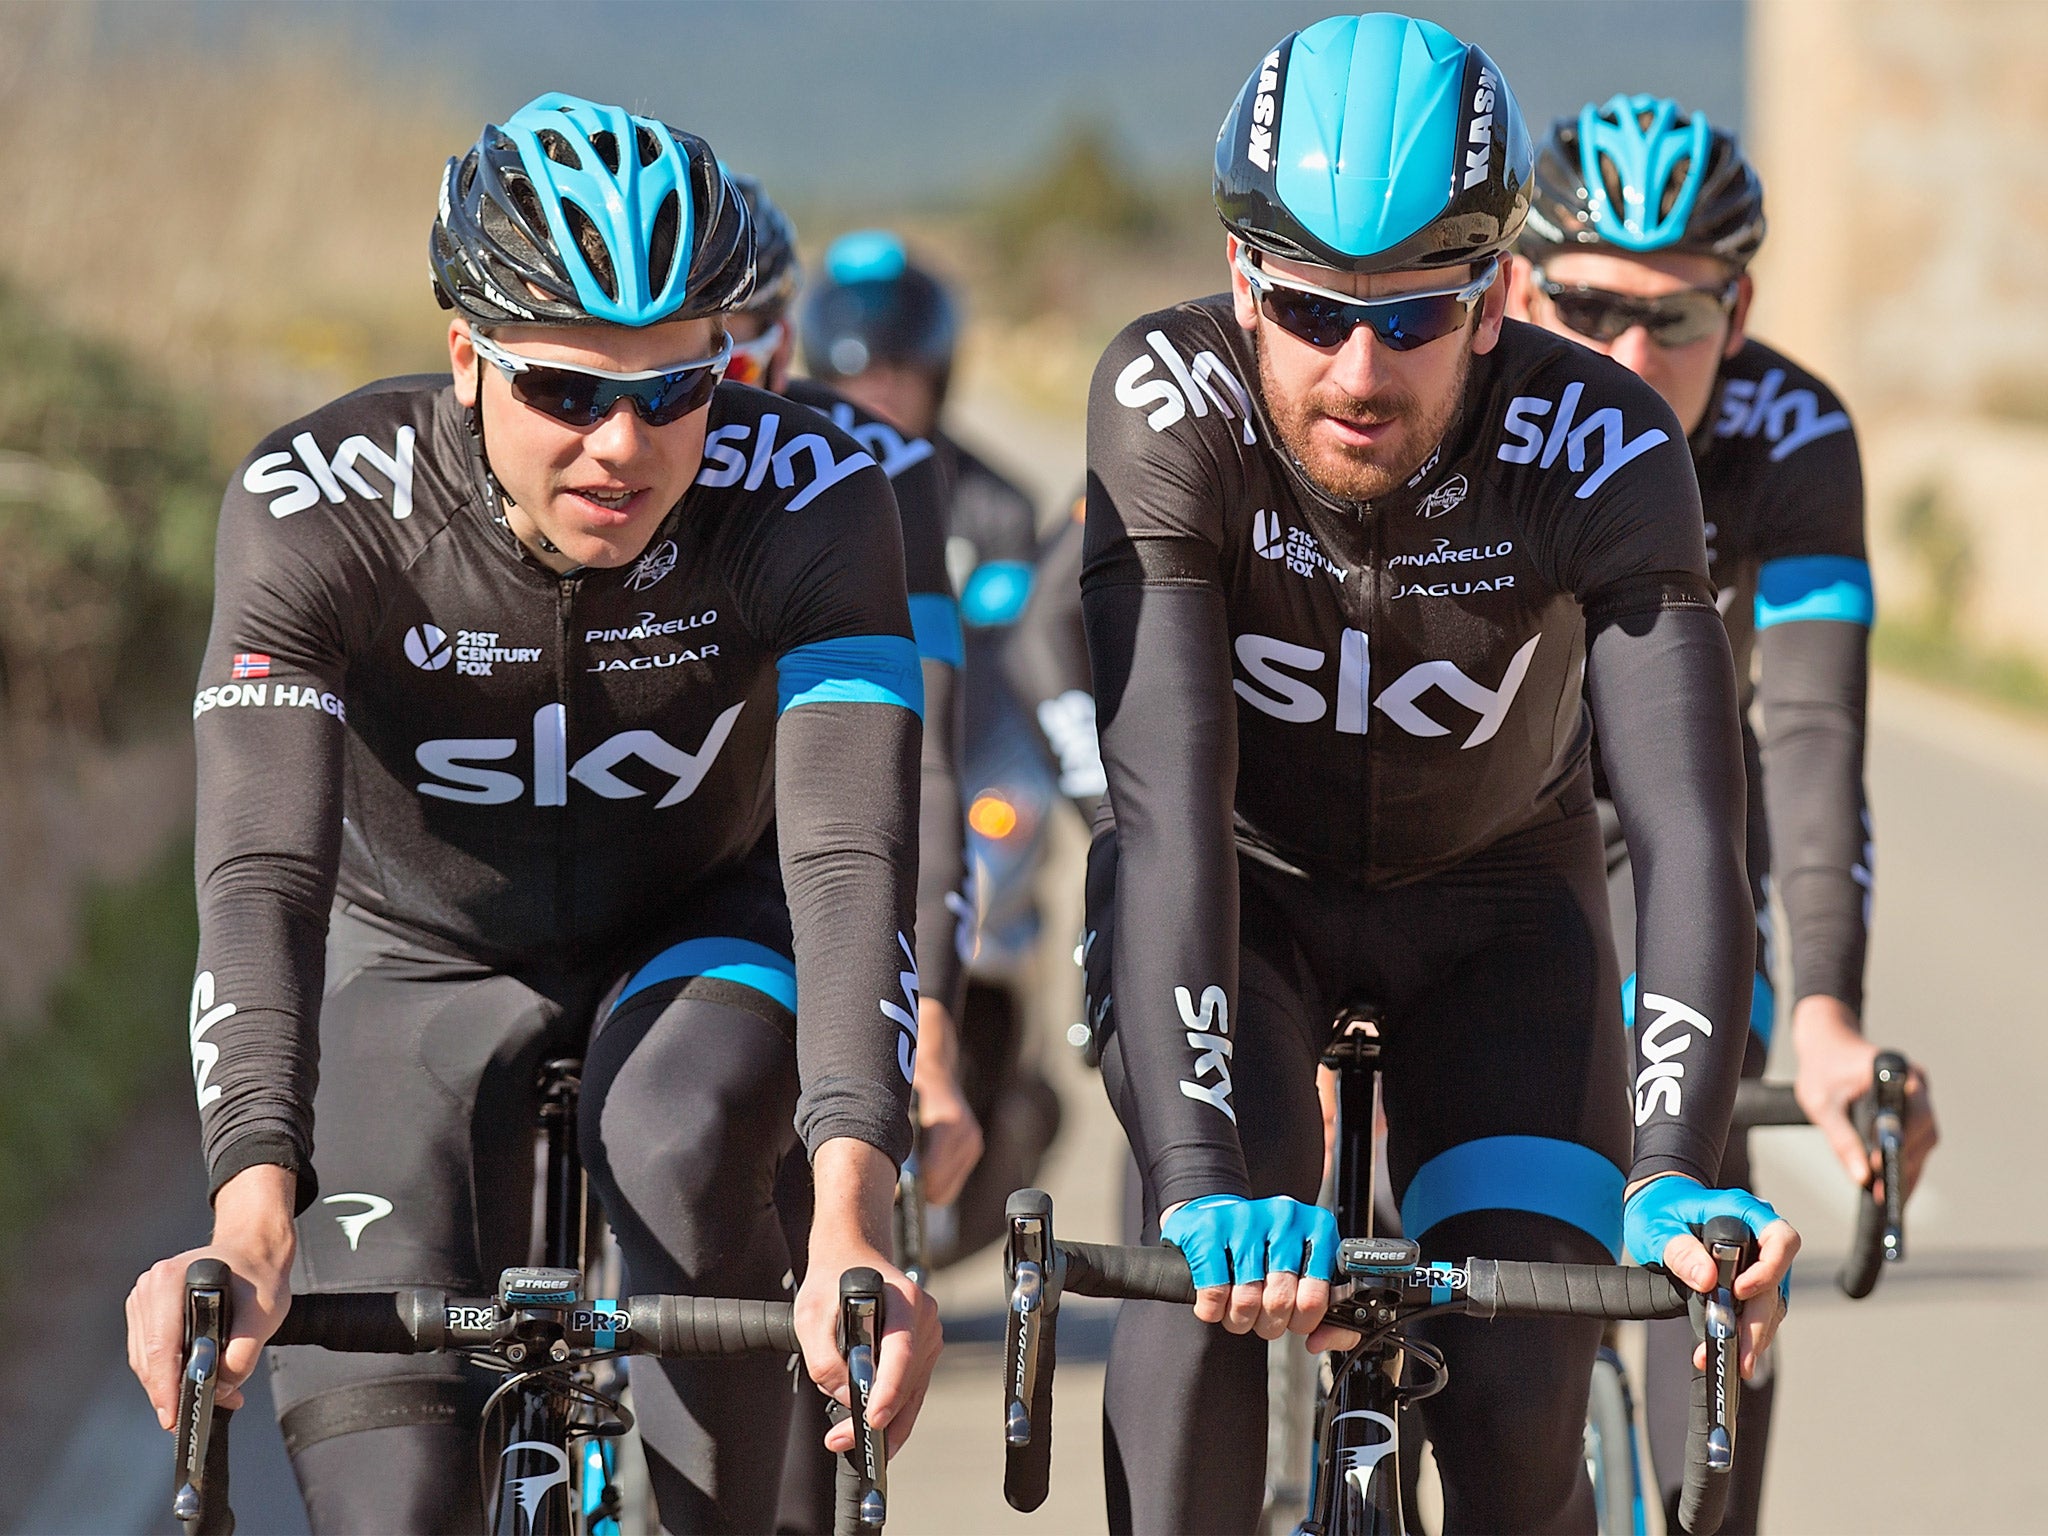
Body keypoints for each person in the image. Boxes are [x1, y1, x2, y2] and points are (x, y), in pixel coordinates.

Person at [123, 94, 941, 1534]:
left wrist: (854, 1214)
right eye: (567, 390)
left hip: (699, 932)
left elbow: (848, 852)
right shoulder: (321, 509)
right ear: (466, 360)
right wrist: (249, 1202)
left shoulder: (817, 495)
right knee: (393, 1504)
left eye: (675, 388)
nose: (623, 446)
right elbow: (261, 877)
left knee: (686, 1143)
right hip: (415, 951)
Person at [1080, 16, 1797, 1532]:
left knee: (1528, 1380)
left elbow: (1682, 826)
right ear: (1238, 279)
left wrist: (1672, 1167)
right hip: (1241, 898)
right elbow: (1163, 811)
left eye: (1414, 317)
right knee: (1203, 1310)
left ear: (1494, 299)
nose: (1359, 369)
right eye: (1312, 309)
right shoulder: (1167, 402)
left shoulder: (1601, 441)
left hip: (1498, 916)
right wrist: (1204, 1169)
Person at [1510, 93, 1940, 1532]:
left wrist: (1826, 1010)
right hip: (1456, 827)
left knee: (1701, 1151)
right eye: (1587, 308)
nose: (1628, 359)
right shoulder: (1454, 392)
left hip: (1659, 833)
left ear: (1739, 310)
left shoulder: (1793, 433)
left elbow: (1812, 733)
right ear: (1518, 286)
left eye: (1675, 320)